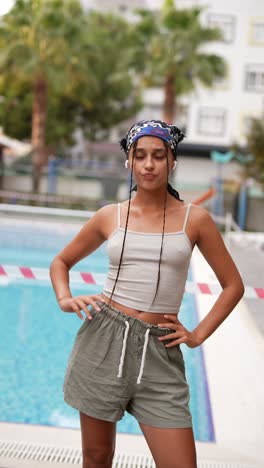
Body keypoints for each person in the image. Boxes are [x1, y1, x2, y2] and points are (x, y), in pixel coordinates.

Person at [50, 119, 244, 468]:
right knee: (97, 458)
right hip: (103, 341)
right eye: (140, 156)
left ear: (172, 161)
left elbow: (233, 285)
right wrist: (65, 298)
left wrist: (198, 335)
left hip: (160, 350)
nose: (149, 164)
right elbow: (61, 261)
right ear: (130, 162)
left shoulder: (195, 220)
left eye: (158, 155)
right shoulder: (110, 216)